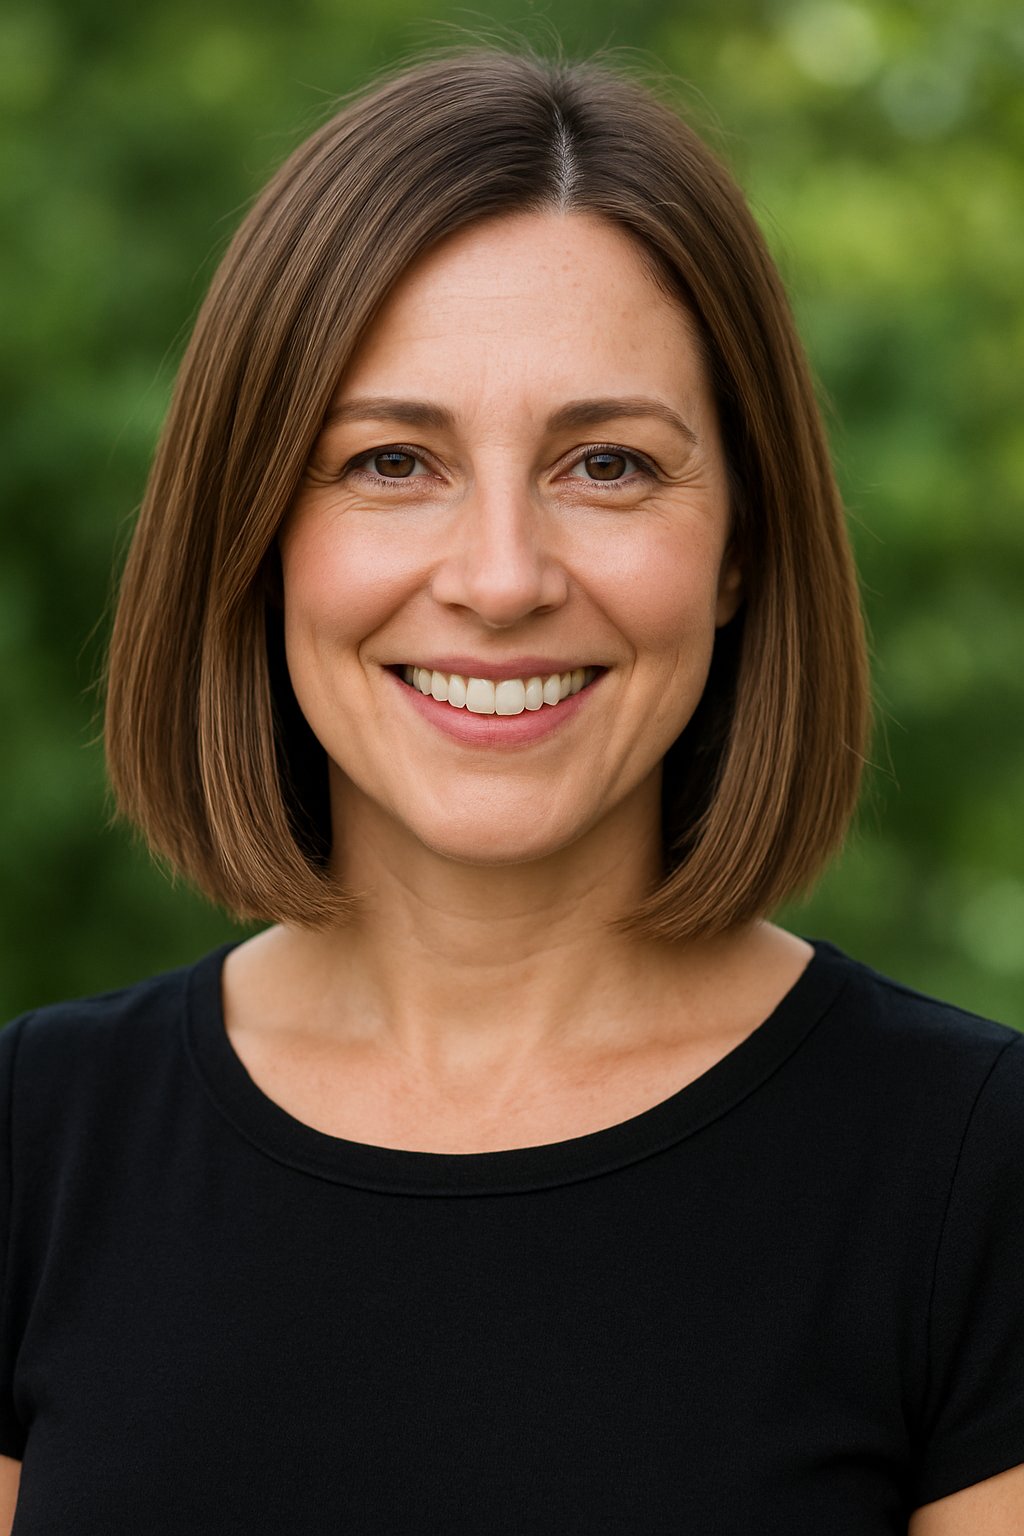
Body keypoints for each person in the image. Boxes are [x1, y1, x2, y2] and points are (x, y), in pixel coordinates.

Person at [0, 44, 1021, 1535]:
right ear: (258, 529)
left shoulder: (977, 1178)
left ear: (741, 543)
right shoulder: (34, 1149)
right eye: (391, 461)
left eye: (607, 464)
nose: (498, 579)